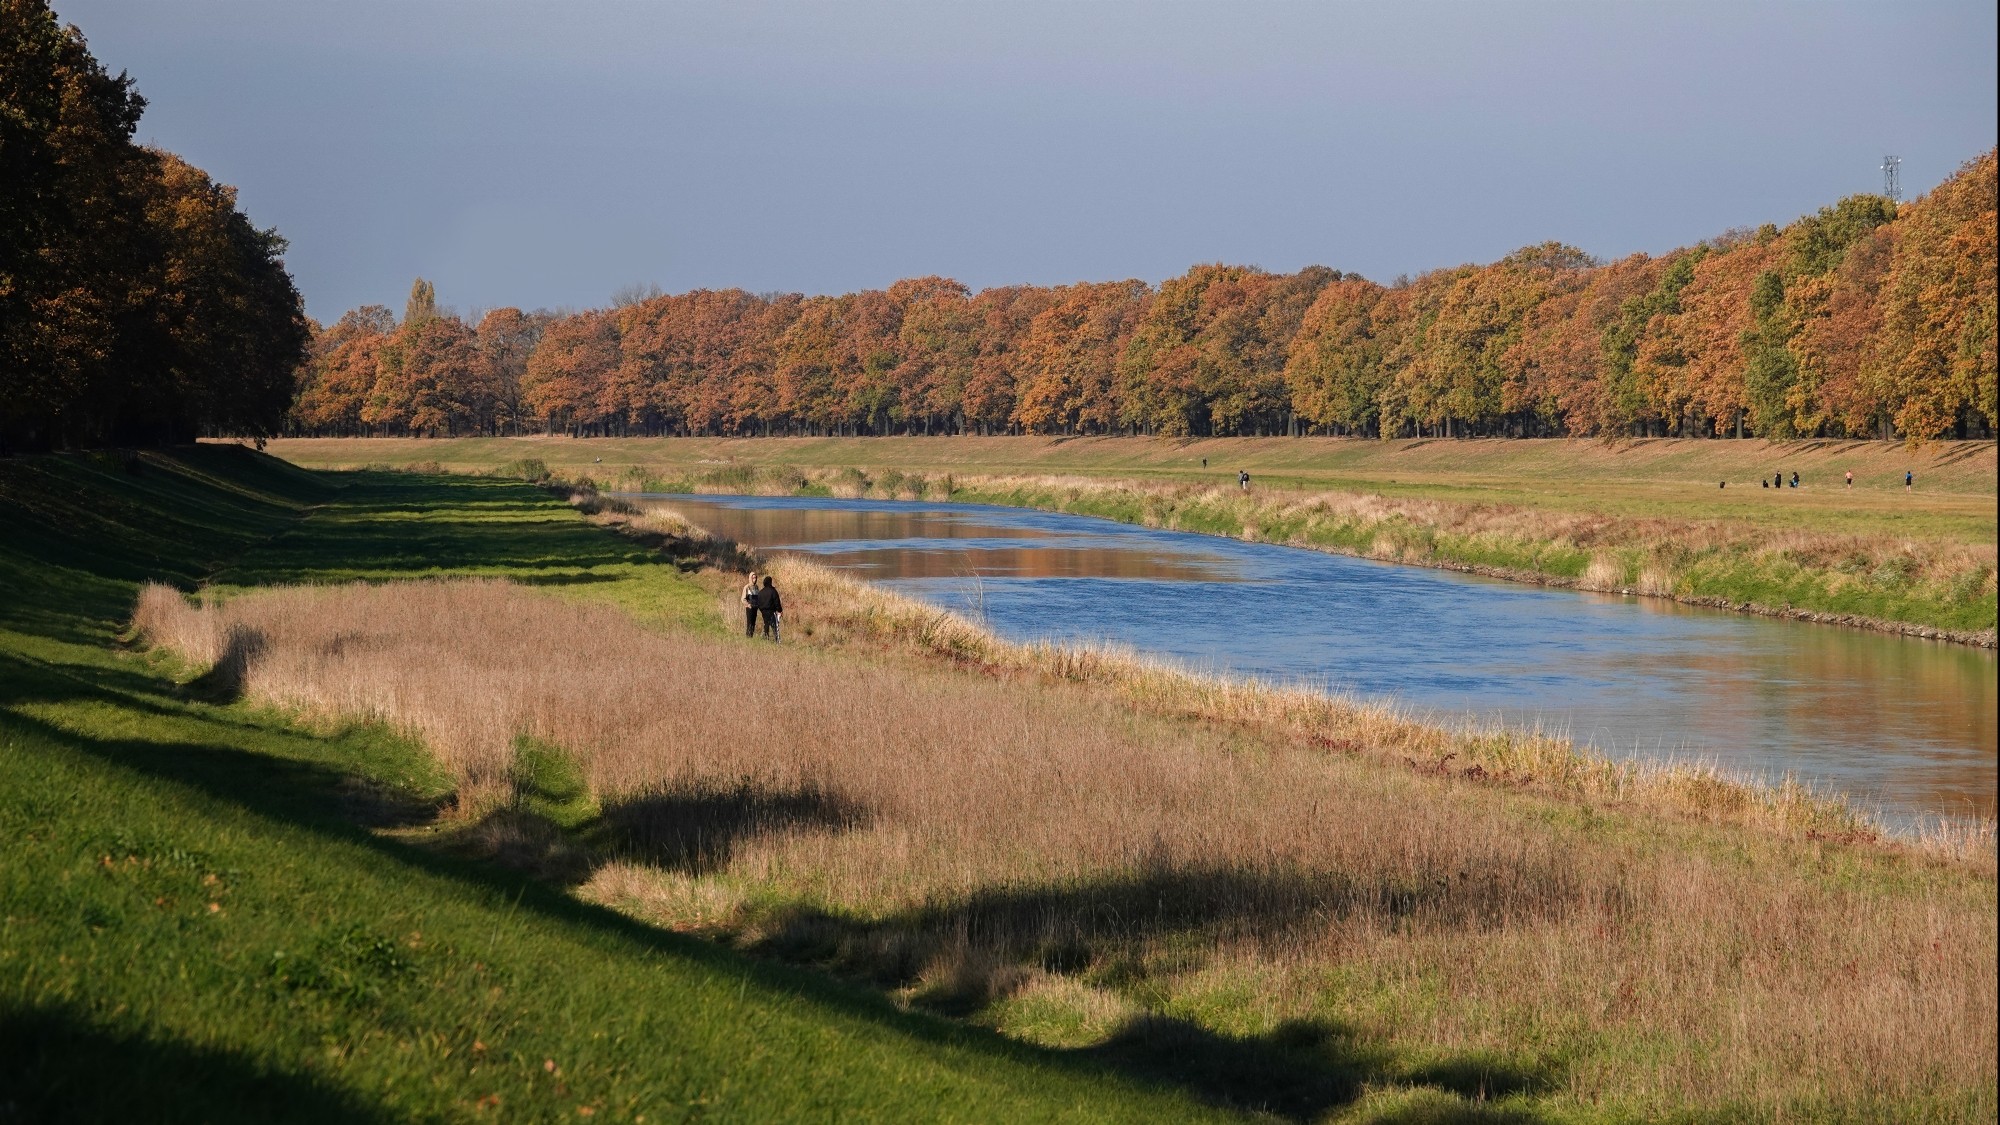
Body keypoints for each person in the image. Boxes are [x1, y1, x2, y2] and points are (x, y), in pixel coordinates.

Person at [757, 575, 784, 641]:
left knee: (766, 624)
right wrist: (779, 610)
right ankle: (777, 640)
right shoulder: (773, 591)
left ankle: (766, 638)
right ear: (770, 582)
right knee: (774, 626)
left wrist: (761, 609)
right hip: (771, 611)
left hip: (763, 611)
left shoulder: (760, 592)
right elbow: (777, 601)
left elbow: (758, 602)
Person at [740, 570, 761, 637]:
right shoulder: (747, 587)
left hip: (755, 607)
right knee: (749, 622)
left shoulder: (757, 587)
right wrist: (747, 605)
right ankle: (748, 636)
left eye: (755, 578)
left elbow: (758, 597)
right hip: (749, 607)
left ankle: (751, 635)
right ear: (750, 578)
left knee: (753, 623)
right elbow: (743, 598)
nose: (755, 579)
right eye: (753, 578)